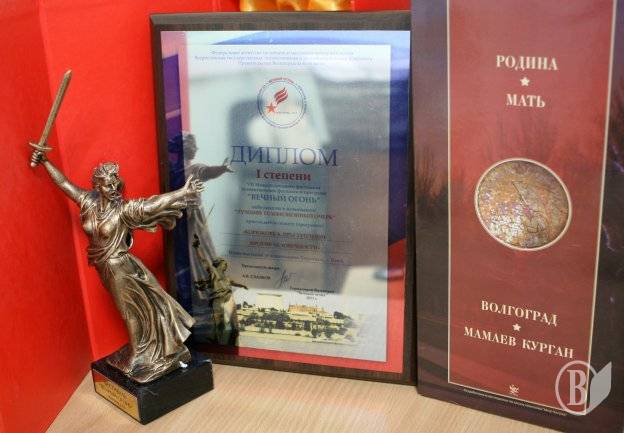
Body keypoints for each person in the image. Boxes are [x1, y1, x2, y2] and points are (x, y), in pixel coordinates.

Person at [31, 151, 204, 383]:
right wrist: (45, 161)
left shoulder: (123, 209)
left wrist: (183, 192)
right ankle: (146, 350)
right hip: (104, 267)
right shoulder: (88, 202)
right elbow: (64, 184)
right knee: (134, 310)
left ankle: (138, 354)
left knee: (128, 311)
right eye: (107, 184)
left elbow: (152, 204)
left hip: (121, 267)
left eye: (115, 183)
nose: (113, 188)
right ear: (97, 186)